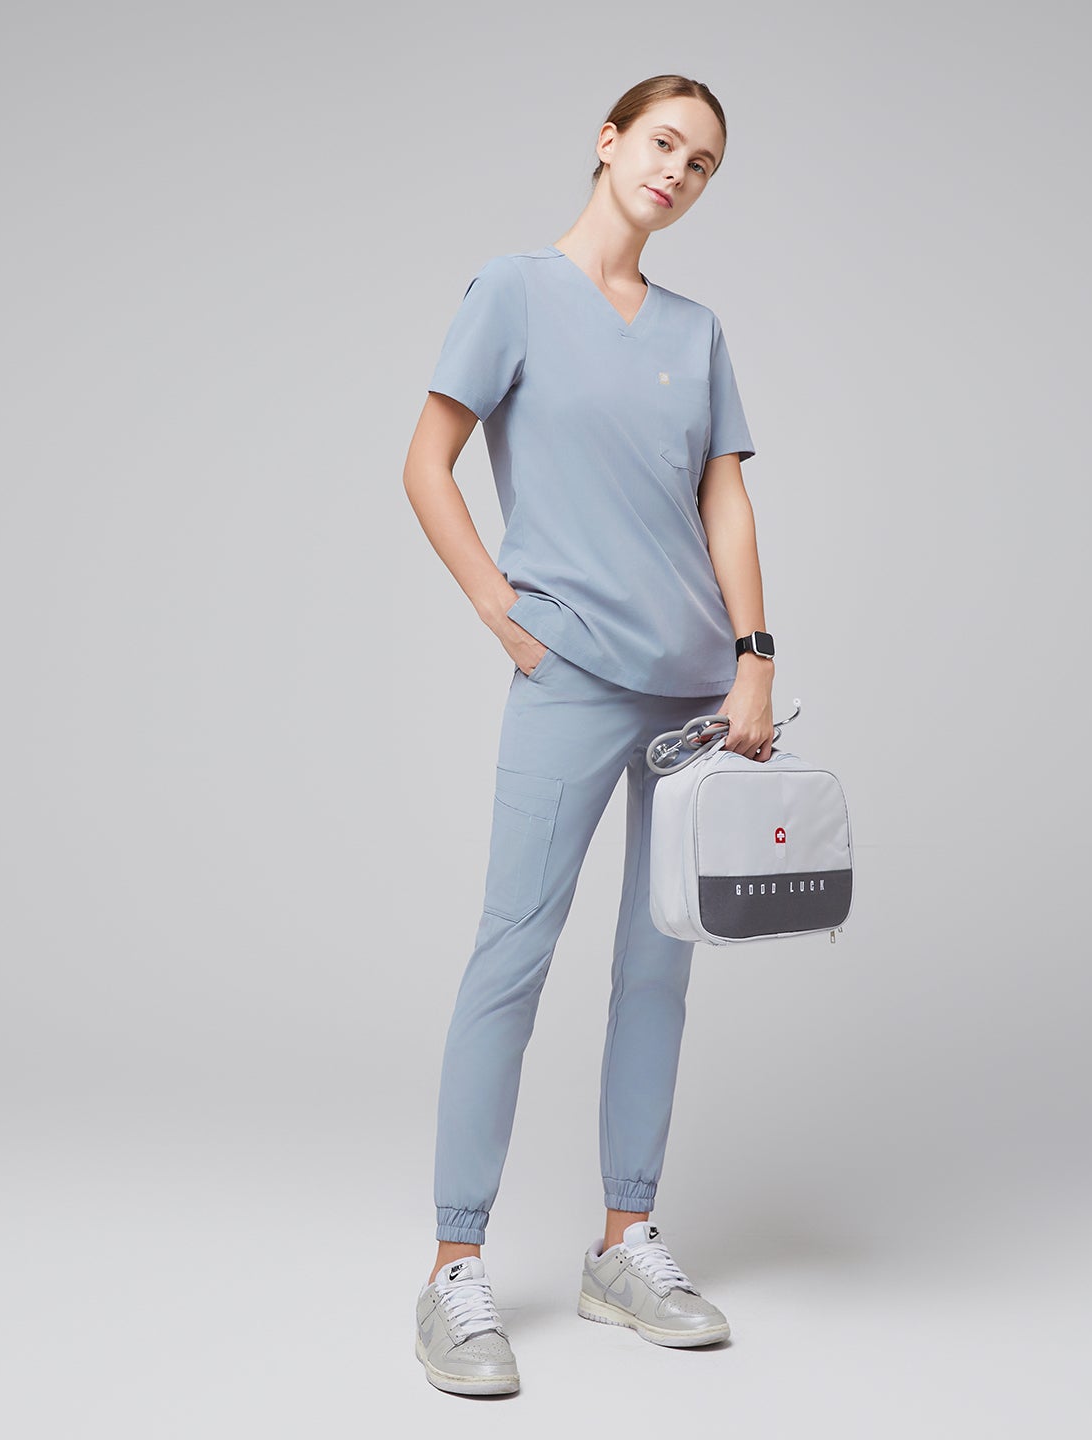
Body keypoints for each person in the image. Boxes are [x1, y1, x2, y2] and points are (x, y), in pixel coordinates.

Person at [402, 74, 775, 1397]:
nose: (678, 170)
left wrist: (753, 659)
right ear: (609, 141)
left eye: (705, 163)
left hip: (691, 700)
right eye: (663, 142)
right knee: (511, 957)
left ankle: (625, 1244)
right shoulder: (513, 292)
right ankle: (455, 1270)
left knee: (657, 975)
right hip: (569, 677)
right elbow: (425, 462)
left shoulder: (698, 330)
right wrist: (504, 614)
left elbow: (723, 506)